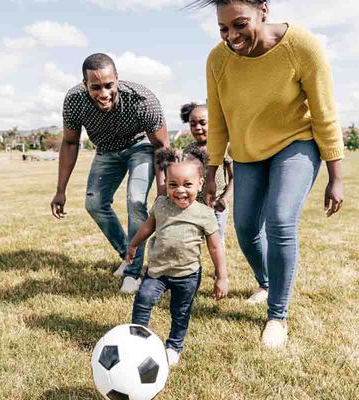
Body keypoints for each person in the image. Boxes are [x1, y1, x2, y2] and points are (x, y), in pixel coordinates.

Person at [190, 0, 345, 348]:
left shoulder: (300, 45)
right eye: (223, 29)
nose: (232, 36)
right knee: (245, 228)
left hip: (296, 142)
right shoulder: (217, 60)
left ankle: (278, 315)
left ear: (263, 9)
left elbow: (324, 112)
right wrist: (212, 171)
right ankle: (266, 282)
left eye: (240, 25)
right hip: (247, 153)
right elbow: (218, 121)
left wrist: (335, 175)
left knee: (279, 220)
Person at [50, 53, 169, 294]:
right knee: (94, 203)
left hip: (140, 147)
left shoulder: (142, 99)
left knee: (136, 201)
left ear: (117, 79)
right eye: (95, 87)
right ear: (85, 85)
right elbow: (70, 143)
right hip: (105, 151)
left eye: (108, 85)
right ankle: (128, 255)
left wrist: (163, 189)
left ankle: (133, 274)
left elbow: (161, 146)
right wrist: (60, 190)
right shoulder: (74, 100)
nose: (103, 93)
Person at [127, 147, 229, 366]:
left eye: (187, 184)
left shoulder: (204, 213)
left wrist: (222, 277)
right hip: (158, 271)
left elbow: (215, 247)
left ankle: (173, 346)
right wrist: (134, 244)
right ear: (165, 183)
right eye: (173, 185)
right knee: (143, 300)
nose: (180, 190)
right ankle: (137, 340)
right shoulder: (161, 205)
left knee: (180, 312)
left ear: (200, 184)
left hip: (187, 274)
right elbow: (148, 227)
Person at [181, 102, 233, 242]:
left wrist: (225, 199)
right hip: (195, 206)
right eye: (193, 124)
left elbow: (234, 177)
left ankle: (219, 264)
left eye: (203, 123)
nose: (197, 128)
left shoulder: (222, 148)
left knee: (216, 241)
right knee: (192, 240)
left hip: (217, 205)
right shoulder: (189, 150)